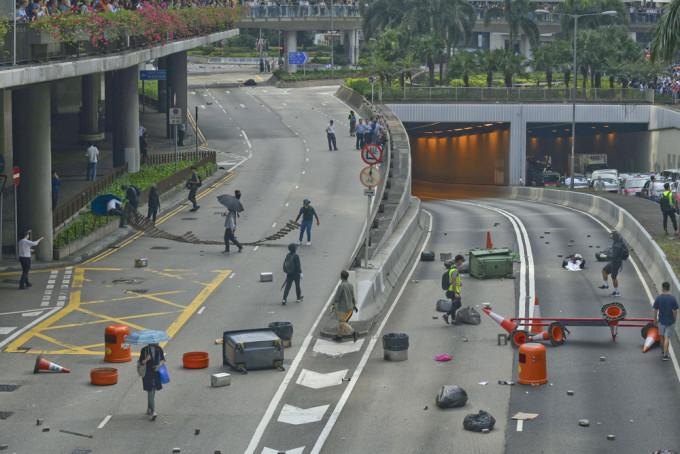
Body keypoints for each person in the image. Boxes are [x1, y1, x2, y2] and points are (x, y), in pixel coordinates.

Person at [138, 343, 165, 420]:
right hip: (147, 373)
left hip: (156, 372)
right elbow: (141, 362)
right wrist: (147, 358)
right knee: (150, 390)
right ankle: (153, 411)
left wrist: (159, 365)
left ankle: (149, 408)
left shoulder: (159, 349)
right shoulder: (144, 350)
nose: (157, 343)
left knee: (153, 390)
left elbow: (162, 359)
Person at [653, 281, 678, 361]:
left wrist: (655, 320)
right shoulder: (673, 298)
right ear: (669, 288)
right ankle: (665, 355)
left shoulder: (659, 298)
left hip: (661, 320)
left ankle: (663, 351)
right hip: (670, 321)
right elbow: (675, 311)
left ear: (662, 288)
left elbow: (655, 310)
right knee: (667, 337)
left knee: (662, 337)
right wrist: (674, 319)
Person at [331, 270, 358, 342]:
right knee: (341, 321)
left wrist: (333, 305)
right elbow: (353, 296)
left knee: (341, 322)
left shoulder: (341, 286)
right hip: (349, 307)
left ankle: (353, 332)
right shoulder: (350, 285)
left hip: (342, 308)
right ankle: (339, 336)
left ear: (341, 277)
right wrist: (354, 305)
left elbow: (337, 297)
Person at [599, 231, 623, 297]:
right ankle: (605, 285)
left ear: (614, 237)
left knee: (614, 277)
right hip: (614, 262)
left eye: (612, 236)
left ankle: (617, 292)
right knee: (604, 270)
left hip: (616, 263)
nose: (611, 237)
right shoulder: (617, 243)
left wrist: (606, 256)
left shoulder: (617, 246)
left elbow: (614, 257)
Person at [443, 254, 464, 325]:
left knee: (454, 305)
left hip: (451, 290)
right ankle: (446, 315)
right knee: (458, 305)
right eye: (462, 261)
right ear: (459, 261)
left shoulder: (452, 267)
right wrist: (455, 293)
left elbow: (454, 281)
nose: (462, 263)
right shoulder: (455, 271)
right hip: (453, 291)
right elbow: (454, 282)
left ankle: (453, 321)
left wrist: (459, 284)